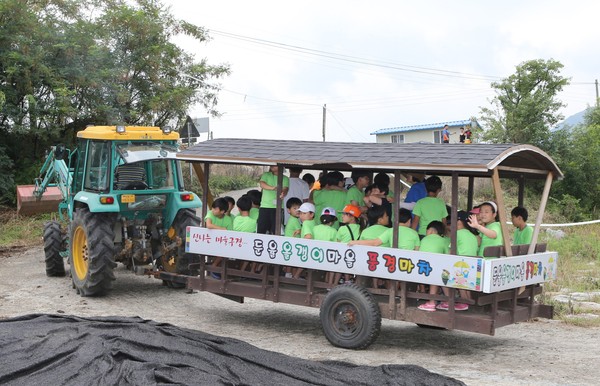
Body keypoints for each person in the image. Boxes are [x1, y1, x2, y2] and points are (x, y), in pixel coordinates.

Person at [436, 210, 477, 312]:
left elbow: (450, 253)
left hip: (461, 267)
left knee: (441, 273)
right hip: (472, 266)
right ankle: (468, 300)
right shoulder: (472, 235)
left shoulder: (457, 234)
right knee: (464, 277)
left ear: (459, 222)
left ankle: (452, 301)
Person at [349, 208, 420, 252]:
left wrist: (355, 242)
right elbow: (417, 250)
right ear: (409, 221)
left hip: (394, 260)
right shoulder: (414, 233)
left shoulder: (390, 230)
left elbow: (375, 242)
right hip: (408, 263)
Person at [417, 221, 450, 311]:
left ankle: (432, 303)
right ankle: (448, 301)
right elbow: (449, 255)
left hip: (422, 268)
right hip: (436, 269)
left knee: (436, 276)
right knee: (443, 277)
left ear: (431, 231)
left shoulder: (424, 239)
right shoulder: (443, 240)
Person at [334, 204, 364, 285]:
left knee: (340, 269)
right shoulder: (362, 229)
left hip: (342, 255)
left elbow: (337, 242)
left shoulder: (342, 229)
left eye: (344, 214)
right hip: (357, 256)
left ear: (352, 217)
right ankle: (353, 283)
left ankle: (333, 285)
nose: (342, 216)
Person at [257, 165, 289, 234]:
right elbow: (262, 184)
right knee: (261, 230)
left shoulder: (285, 178)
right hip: (265, 206)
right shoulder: (266, 175)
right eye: (272, 165)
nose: (272, 166)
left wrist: (283, 193)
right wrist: (273, 188)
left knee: (276, 231)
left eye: (275, 165)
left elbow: (285, 189)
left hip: (278, 207)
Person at [293, 202, 316, 279]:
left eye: (304, 213)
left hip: (306, 247)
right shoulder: (313, 222)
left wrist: (301, 242)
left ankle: (295, 276)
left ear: (312, 214)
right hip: (314, 247)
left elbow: (309, 236)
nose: (301, 216)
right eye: (300, 213)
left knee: (302, 263)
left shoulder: (305, 223)